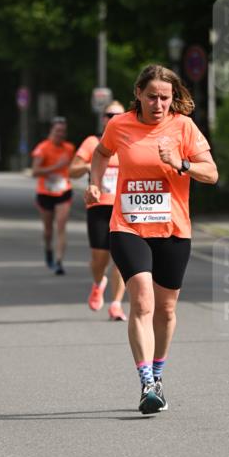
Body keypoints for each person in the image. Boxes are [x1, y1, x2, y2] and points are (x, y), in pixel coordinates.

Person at [86, 64, 218, 415]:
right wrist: (94, 182)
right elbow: (101, 153)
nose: (158, 104)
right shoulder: (120, 125)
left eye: (165, 98)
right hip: (128, 225)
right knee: (142, 300)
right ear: (139, 95)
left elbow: (212, 173)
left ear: (173, 98)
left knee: (166, 308)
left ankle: (158, 373)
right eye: (151, 97)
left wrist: (181, 164)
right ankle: (146, 383)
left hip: (174, 229)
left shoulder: (184, 127)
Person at [70, 101, 127, 321]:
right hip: (99, 206)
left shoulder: (130, 143)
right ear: (102, 118)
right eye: (108, 114)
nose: (113, 118)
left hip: (124, 208)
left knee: (121, 258)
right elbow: (72, 171)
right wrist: (88, 166)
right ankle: (98, 282)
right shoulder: (93, 142)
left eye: (118, 115)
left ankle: (116, 304)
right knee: (99, 259)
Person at [31, 117, 75, 275]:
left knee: (61, 226)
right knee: (48, 230)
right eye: (57, 131)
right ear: (51, 131)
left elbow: (71, 168)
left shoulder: (69, 148)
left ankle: (59, 261)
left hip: (63, 191)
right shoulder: (42, 148)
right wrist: (56, 167)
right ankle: (48, 249)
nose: (60, 134)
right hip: (45, 192)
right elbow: (34, 172)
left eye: (63, 131)